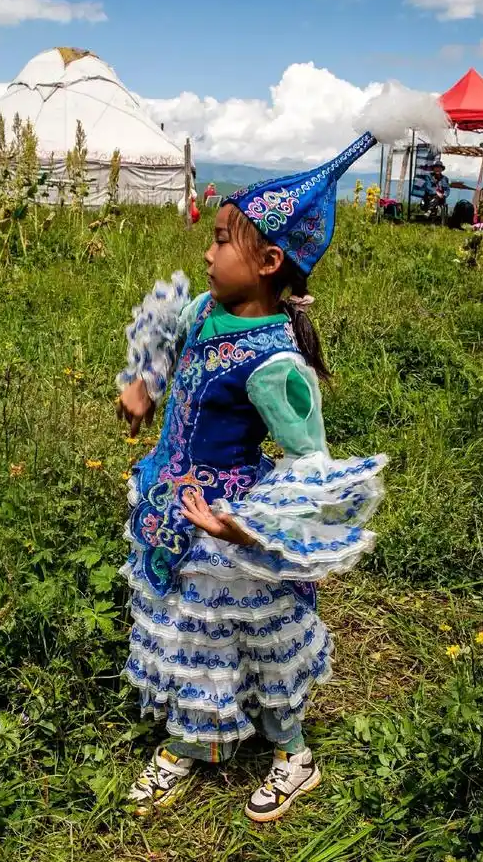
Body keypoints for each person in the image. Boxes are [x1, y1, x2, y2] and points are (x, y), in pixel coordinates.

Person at [115, 131, 388, 822]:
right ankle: (194, 739)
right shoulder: (208, 310)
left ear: (268, 261)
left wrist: (251, 525)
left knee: (256, 637)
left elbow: (311, 463)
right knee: (186, 629)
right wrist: (145, 389)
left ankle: (293, 755)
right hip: (176, 507)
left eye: (221, 242)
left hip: (227, 529)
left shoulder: (274, 363)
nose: (206, 253)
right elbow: (168, 331)